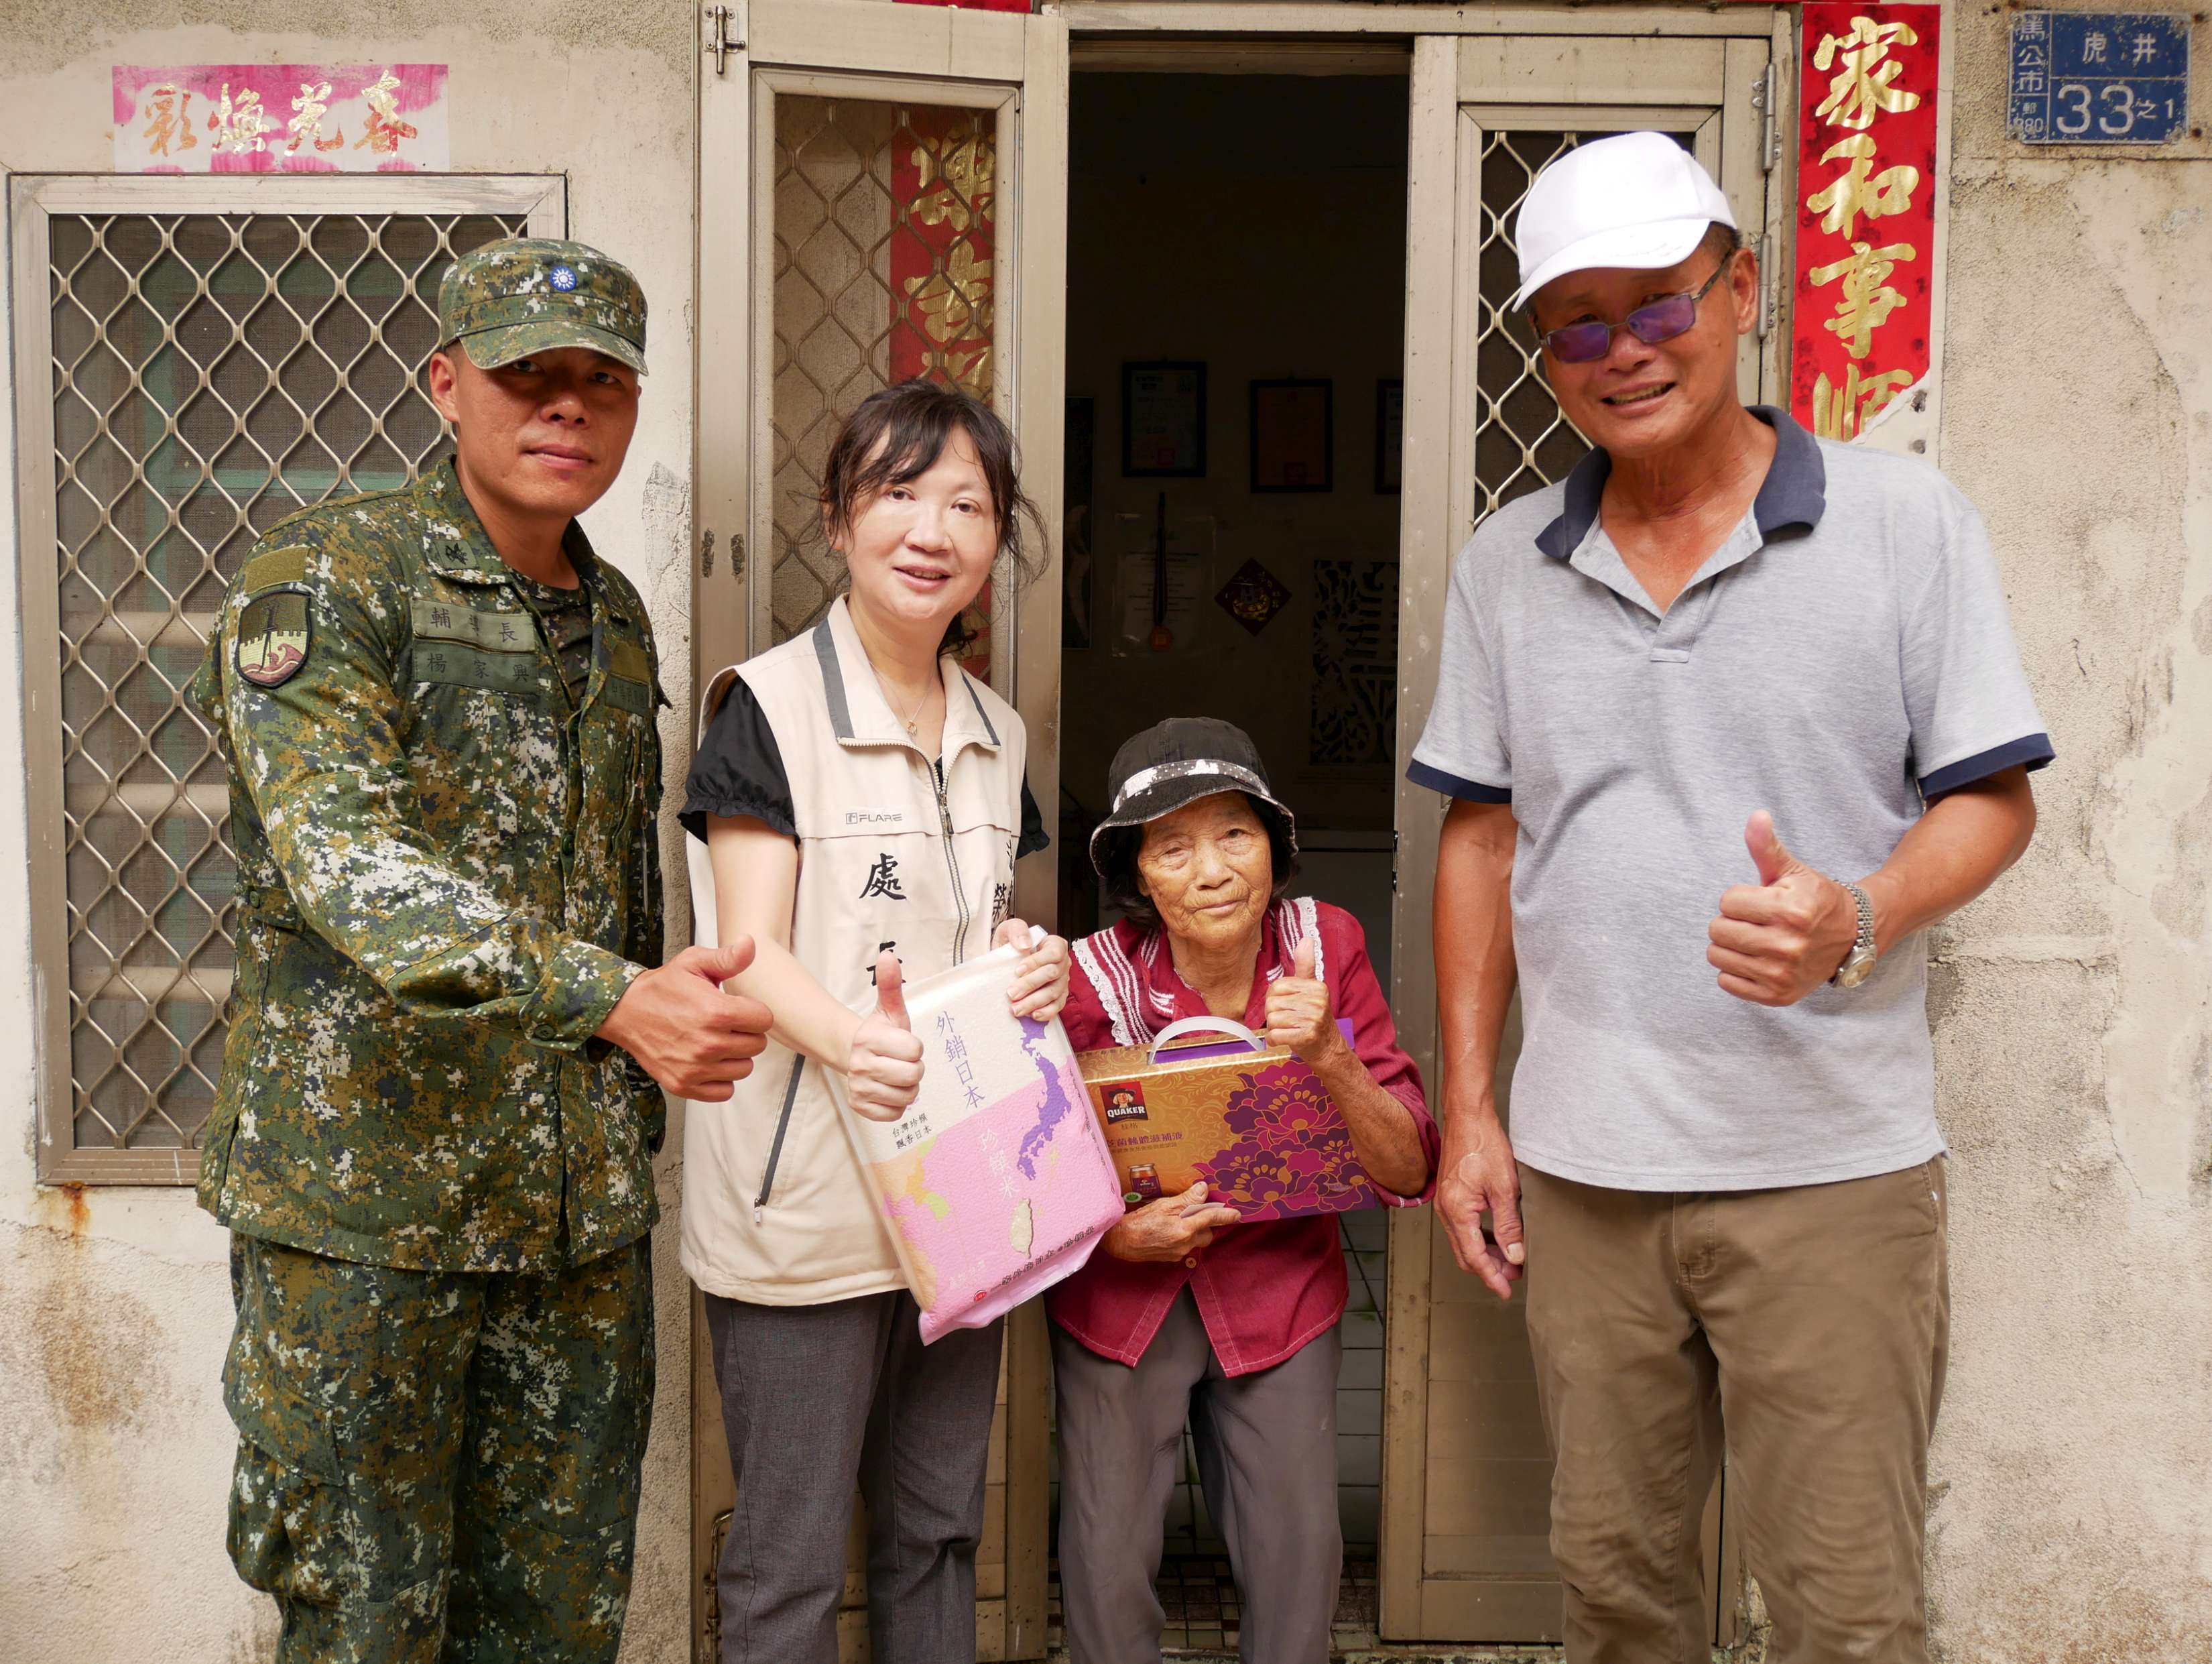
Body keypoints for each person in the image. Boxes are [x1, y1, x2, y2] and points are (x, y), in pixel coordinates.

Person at [1409, 132, 2050, 1664]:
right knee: (1618, 1595)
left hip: (1830, 1166)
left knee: (1845, 1602)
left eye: (1659, 306)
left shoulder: (1904, 523)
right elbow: (1483, 841)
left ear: (1742, 288)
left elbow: (1994, 797)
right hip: (1585, 1172)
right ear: (1543, 353)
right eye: (1578, 323)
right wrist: (1477, 1111)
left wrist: (1862, 913)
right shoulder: (1511, 565)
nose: (1623, 352)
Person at [192, 237, 774, 1662]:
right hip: (366, 1219)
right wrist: (620, 1000)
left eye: (599, 383)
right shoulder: (325, 578)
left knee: (559, 1622)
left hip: (568, 1227)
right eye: (528, 376)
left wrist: (653, 1025)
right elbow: (354, 867)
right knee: (365, 1618)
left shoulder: (618, 617)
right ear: (448, 383)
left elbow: (616, 885)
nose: (565, 410)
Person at [678, 378, 1071, 1664]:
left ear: (996, 543)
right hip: (808, 1204)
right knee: (789, 1562)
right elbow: (745, 958)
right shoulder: (768, 705)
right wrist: (850, 1040)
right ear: (841, 519)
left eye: (966, 503)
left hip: (960, 1199)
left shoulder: (997, 732)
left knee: (938, 1532)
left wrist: (1030, 964)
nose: (932, 528)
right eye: (900, 492)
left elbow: (975, 935)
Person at [1048, 718, 1439, 1664]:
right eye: (1173, 846)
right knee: (1106, 1565)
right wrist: (1111, 1235)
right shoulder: (1085, 977)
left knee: (1298, 1560)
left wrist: (1330, 1054)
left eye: (1235, 833)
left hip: (1280, 1290)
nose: (1212, 868)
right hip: (1125, 1297)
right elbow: (1034, 1169)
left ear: (1276, 846)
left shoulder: (1324, 945)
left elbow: (1410, 1163)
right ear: (1140, 876)